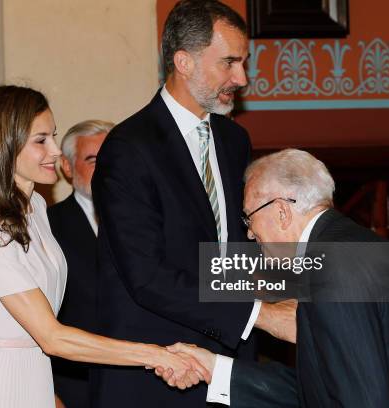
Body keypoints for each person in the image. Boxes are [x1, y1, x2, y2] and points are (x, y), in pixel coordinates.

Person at [0, 85, 209, 408]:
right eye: (41, 140)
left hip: (37, 373)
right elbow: (52, 336)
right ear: (4, 145)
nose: (55, 152)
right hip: (0, 383)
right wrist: (155, 354)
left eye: (53, 137)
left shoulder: (37, 208)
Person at [90, 1, 295, 407]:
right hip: (158, 369)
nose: (242, 77)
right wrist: (262, 316)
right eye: (230, 63)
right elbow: (147, 276)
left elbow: (228, 250)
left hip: (228, 366)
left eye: (243, 63)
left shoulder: (234, 140)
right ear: (183, 61)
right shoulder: (129, 148)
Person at [171, 148, 389, 407]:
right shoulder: (366, 248)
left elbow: (361, 399)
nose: (249, 233)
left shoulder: (331, 268)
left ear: (281, 211)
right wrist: (216, 369)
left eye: (248, 218)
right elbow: (328, 390)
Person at [49, 119, 113, 408]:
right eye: (92, 160)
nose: (105, 168)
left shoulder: (150, 220)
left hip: (144, 380)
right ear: (66, 166)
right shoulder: (46, 227)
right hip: (74, 386)